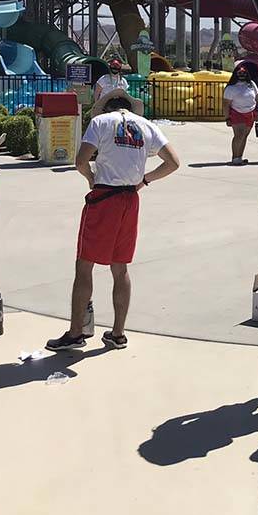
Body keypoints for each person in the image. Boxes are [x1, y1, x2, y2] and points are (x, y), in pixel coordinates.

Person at [46, 88, 179, 351]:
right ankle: (118, 333)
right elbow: (173, 162)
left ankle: (76, 332)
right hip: (130, 199)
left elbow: (81, 160)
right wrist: (144, 180)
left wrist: (91, 178)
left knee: (85, 265)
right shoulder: (146, 126)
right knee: (120, 267)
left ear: (107, 106)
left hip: (104, 197)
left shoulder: (101, 122)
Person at [222, 64, 258, 166]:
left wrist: (257, 110)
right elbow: (226, 104)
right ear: (235, 74)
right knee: (239, 136)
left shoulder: (251, 84)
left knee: (245, 136)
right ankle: (235, 158)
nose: (242, 74)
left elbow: (257, 97)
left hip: (250, 113)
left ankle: (239, 157)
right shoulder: (231, 88)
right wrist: (227, 118)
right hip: (237, 113)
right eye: (239, 73)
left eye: (244, 73)